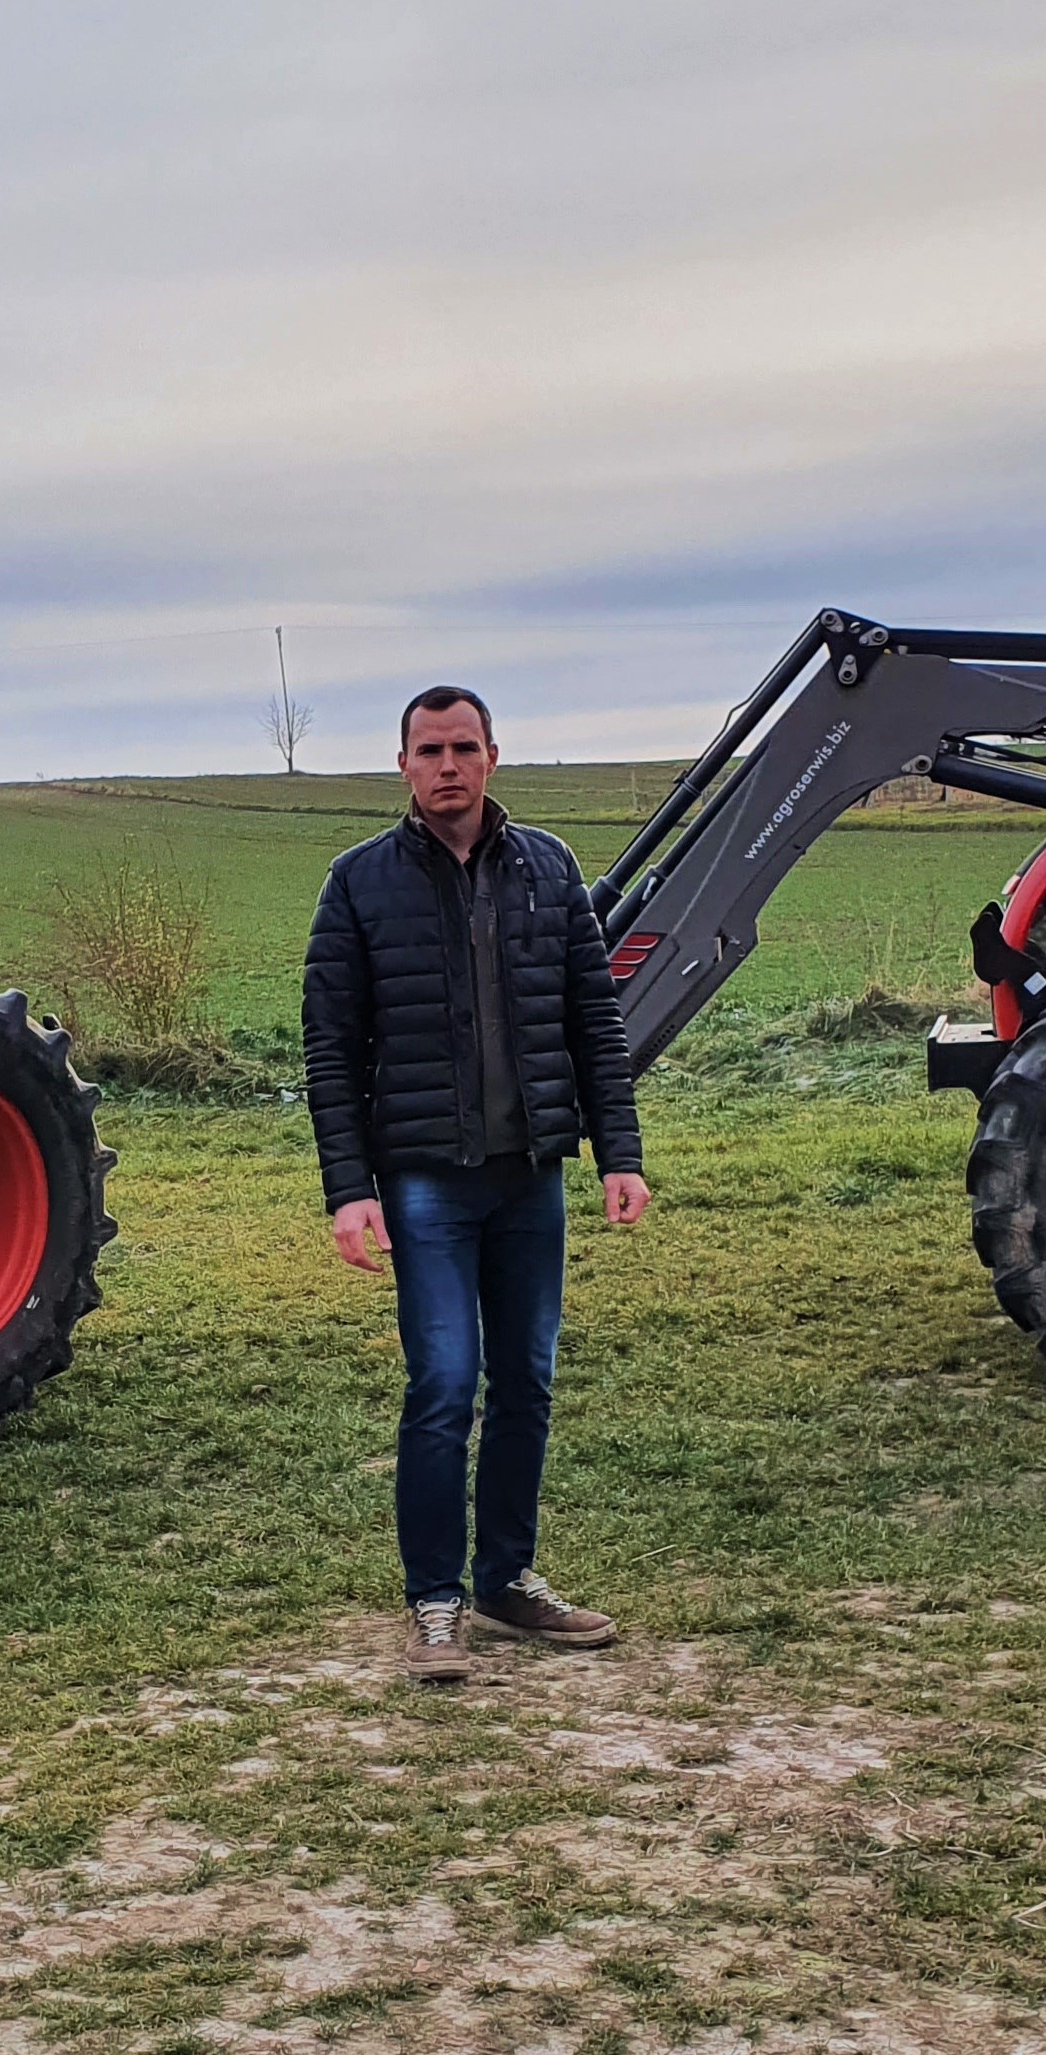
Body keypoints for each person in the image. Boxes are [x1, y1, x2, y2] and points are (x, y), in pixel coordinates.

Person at [302, 684, 651, 1684]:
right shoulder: (359, 883)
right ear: (403, 765)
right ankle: (437, 1603)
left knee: (527, 1383)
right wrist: (349, 1187)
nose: (447, 765)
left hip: (530, 1176)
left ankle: (506, 1578)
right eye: (429, 749)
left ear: (493, 755)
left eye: (464, 746)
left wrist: (617, 1151)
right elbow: (331, 1046)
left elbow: (595, 1019)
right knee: (445, 1383)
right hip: (425, 1182)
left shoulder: (550, 869)